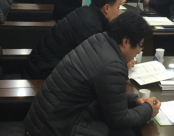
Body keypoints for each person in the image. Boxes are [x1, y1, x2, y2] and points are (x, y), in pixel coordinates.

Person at [24, 11, 160, 136]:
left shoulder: (99, 39)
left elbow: (108, 93)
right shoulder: (113, 66)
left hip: (45, 120)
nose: (139, 51)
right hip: (57, 128)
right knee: (128, 132)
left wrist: (134, 100)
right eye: (140, 46)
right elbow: (119, 120)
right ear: (126, 41)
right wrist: (148, 110)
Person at [23, 0, 124, 79]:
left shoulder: (86, 11)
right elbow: (94, 65)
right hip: (44, 73)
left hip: (41, 65)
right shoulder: (91, 27)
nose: (118, 12)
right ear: (107, 8)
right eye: (118, 7)